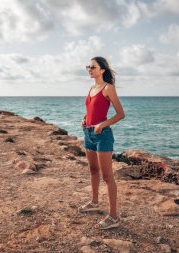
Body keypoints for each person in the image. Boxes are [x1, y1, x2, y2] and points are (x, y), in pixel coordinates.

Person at [78, 56, 125, 230]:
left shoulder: (108, 88)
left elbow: (120, 114)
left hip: (102, 135)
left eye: (93, 67)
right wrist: (85, 119)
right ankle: (95, 202)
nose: (89, 69)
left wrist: (102, 124)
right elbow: (91, 110)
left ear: (102, 70)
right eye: (88, 66)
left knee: (107, 176)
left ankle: (114, 216)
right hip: (88, 133)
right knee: (93, 170)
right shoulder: (91, 88)